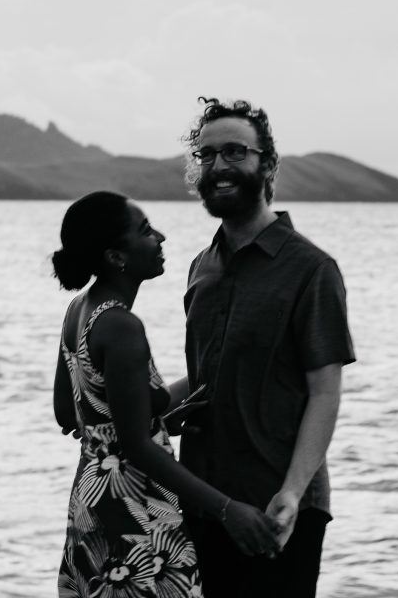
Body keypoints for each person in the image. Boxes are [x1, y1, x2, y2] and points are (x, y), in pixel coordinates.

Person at [52, 191, 281, 598]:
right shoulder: (122, 326)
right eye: (144, 231)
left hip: (92, 502)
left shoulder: (78, 310)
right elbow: (138, 447)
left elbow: (69, 413)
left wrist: (153, 413)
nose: (160, 237)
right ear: (115, 257)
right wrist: (228, 510)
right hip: (134, 511)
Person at [177, 98, 356, 598]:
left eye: (235, 152)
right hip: (206, 500)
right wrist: (135, 406)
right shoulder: (201, 268)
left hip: (279, 504)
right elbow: (210, 375)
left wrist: (293, 494)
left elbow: (324, 392)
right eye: (206, 155)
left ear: (267, 164)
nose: (218, 166)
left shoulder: (312, 270)